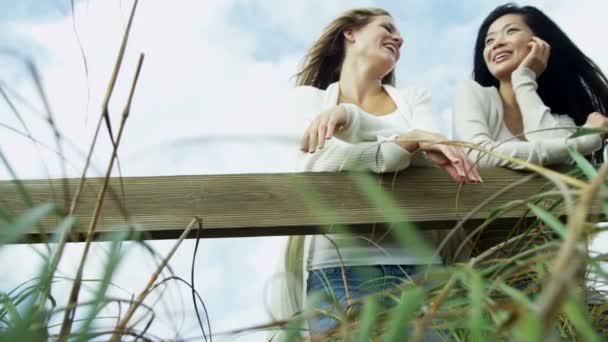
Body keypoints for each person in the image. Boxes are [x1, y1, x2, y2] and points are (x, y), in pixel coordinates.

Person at [271, 8, 480, 340]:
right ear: (350, 32)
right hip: (336, 272)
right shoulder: (308, 99)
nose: (400, 38)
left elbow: (434, 156)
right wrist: (406, 141)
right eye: (388, 27)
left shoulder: (415, 98)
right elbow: (319, 163)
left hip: (421, 271)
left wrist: (350, 120)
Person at [453, 3, 608, 169]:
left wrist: (523, 79)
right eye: (489, 40)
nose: (496, 44)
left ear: (540, 43)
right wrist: (585, 141)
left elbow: (558, 162)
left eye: (510, 31)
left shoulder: (562, 121)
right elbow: (477, 155)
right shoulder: (472, 93)